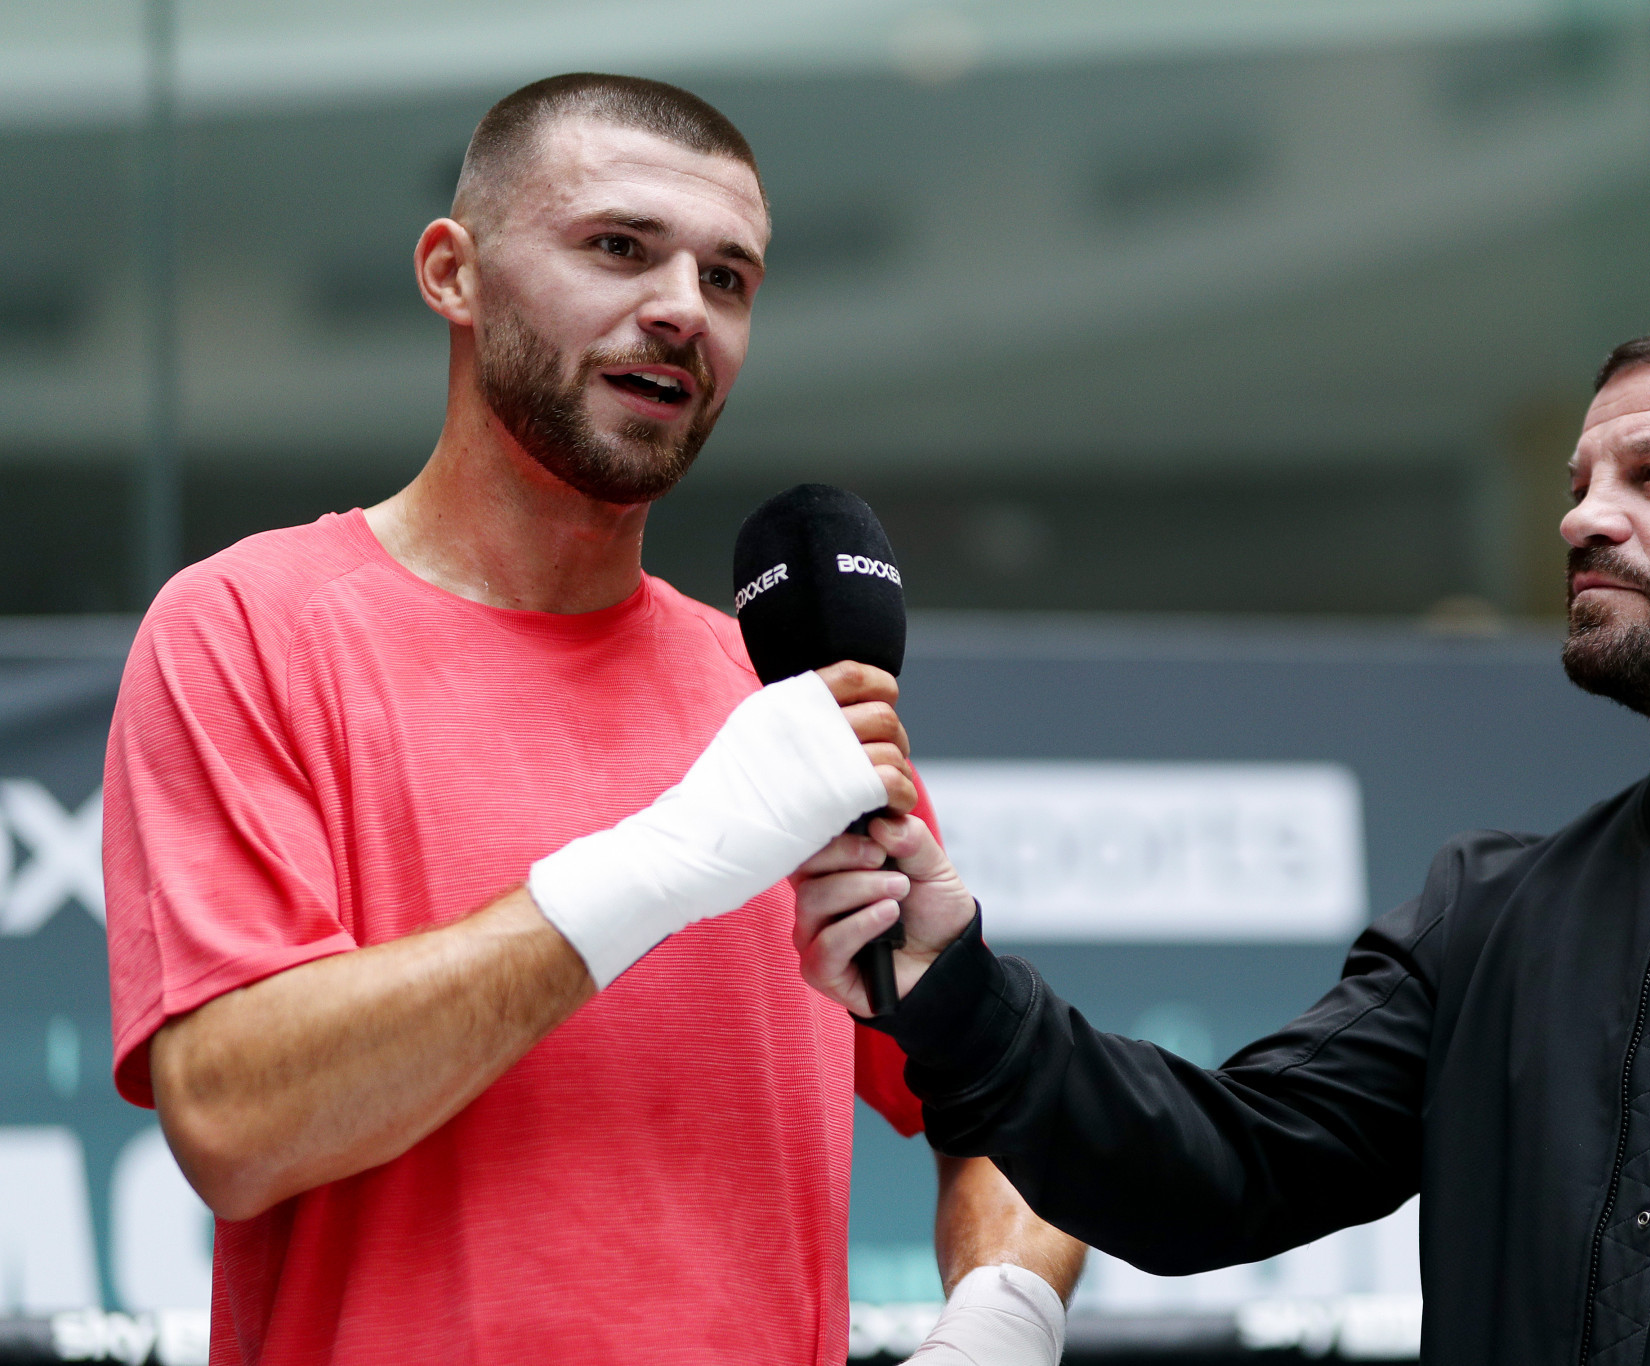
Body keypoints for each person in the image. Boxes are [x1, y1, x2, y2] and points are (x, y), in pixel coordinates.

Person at [794, 314, 1650, 1365]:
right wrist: (951, 986)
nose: (1581, 522)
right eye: (1575, 487)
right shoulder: (1491, 918)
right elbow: (1216, 1168)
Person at [102, 73, 1080, 1366]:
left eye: (729, 279)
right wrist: (663, 862)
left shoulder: (783, 701)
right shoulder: (247, 627)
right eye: (620, 248)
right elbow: (232, 1118)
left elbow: (1008, 1104)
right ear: (453, 273)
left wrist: (1005, 1319)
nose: (683, 308)